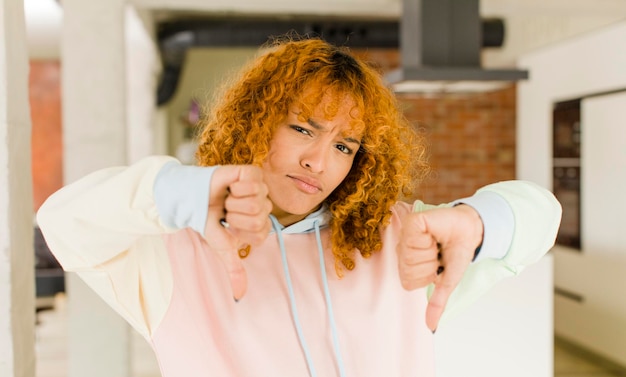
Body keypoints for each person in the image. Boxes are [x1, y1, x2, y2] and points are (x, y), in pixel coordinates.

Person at [37, 36, 561, 377]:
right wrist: (183, 194)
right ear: (255, 121)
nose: (317, 162)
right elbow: (62, 221)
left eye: (342, 146)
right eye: (302, 128)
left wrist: (476, 220)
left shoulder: (399, 241)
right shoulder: (172, 255)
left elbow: (542, 215)